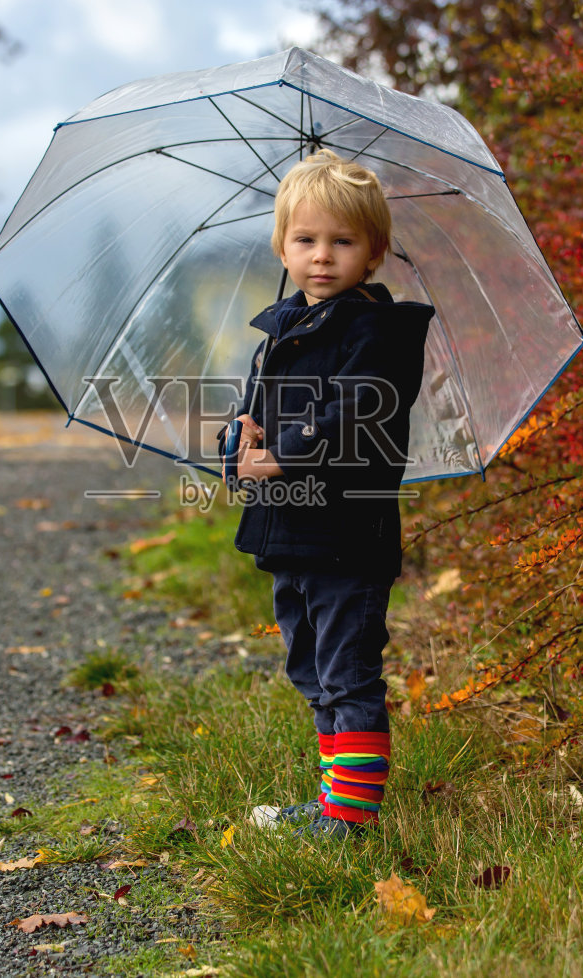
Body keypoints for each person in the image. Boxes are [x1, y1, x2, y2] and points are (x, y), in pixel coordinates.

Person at [221, 148, 434, 840]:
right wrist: (239, 444)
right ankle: (330, 801)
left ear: (373, 253)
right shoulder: (281, 331)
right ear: (282, 245)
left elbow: (356, 415)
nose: (321, 256)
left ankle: (351, 819)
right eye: (306, 240)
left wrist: (282, 458)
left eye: (342, 242)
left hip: (347, 538)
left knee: (348, 675)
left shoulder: (378, 332)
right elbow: (253, 416)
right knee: (310, 671)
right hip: (291, 536)